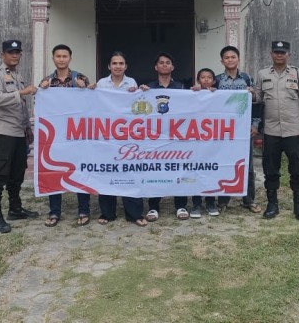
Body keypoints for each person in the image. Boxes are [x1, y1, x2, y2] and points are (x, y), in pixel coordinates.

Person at [254, 40, 299, 220]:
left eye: (283, 52)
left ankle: (298, 205)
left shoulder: (296, 74)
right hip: (271, 131)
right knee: (270, 169)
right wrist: (248, 92)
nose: (279, 55)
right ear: (271, 54)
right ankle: (272, 205)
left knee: (298, 169)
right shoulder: (263, 74)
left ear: (289, 55)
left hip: (293, 130)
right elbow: (258, 97)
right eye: (276, 52)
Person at [0, 39, 40, 233]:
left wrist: (28, 128)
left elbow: (22, 107)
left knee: (17, 172)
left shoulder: (18, 75)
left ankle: (15, 209)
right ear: (3, 55)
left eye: (17, 52)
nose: (15, 55)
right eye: (11, 52)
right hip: (4, 132)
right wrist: (21, 92)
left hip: (19, 133)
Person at [38, 44, 91, 227]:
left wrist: (86, 88)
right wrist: (41, 90)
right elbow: (41, 107)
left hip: (77, 134)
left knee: (80, 171)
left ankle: (84, 210)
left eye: (64, 56)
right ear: (53, 58)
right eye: (58, 56)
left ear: (70, 58)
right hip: (56, 136)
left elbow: (91, 102)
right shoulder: (46, 82)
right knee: (54, 171)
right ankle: (54, 212)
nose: (61, 59)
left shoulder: (80, 78)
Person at [94, 51, 147, 227]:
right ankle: (107, 213)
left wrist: (142, 92)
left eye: (121, 63)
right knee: (107, 172)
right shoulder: (101, 83)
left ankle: (134, 214)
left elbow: (137, 107)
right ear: (109, 66)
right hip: (106, 135)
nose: (118, 66)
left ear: (126, 66)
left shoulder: (131, 82)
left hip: (127, 135)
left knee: (129, 172)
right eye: (114, 63)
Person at [138, 52, 187, 221]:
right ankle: (153, 207)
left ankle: (181, 205)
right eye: (161, 62)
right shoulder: (148, 87)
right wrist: (139, 92)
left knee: (178, 169)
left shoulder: (181, 88)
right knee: (155, 170)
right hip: (155, 137)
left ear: (172, 67)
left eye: (168, 62)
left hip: (176, 136)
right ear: (156, 67)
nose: (164, 65)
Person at [213, 45, 261, 214]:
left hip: (243, 129)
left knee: (247, 165)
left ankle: (249, 200)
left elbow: (256, 103)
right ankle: (223, 200)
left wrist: (255, 125)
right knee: (224, 163)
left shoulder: (247, 79)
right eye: (227, 58)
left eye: (233, 57)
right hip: (224, 130)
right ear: (222, 61)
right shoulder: (217, 80)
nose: (230, 60)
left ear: (238, 59)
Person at [189, 68, 218, 218]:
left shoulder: (218, 95)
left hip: (212, 140)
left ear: (213, 81)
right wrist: (194, 92)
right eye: (202, 77)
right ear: (197, 80)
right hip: (195, 139)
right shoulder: (192, 93)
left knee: (210, 170)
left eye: (209, 77)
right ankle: (196, 203)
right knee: (196, 170)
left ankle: (211, 202)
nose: (206, 80)